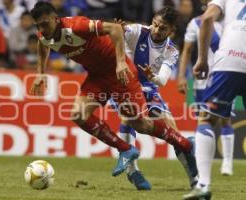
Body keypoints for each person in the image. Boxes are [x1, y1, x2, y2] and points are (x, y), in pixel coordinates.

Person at [29, 2, 196, 180]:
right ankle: (126, 150)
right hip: (97, 75)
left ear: (56, 19)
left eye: (45, 24)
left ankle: (184, 144)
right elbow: (42, 42)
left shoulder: (76, 26)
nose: (42, 29)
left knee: (141, 124)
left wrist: (121, 62)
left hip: (120, 73)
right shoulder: (45, 34)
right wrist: (40, 73)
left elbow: (115, 29)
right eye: (38, 25)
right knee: (78, 114)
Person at [110, 6, 198, 190]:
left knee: (174, 131)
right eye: (155, 24)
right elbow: (115, 34)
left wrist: (152, 77)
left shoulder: (171, 51)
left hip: (149, 87)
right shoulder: (137, 31)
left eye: (163, 28)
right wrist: (118, 30)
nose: (156, 30)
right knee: (131, 114)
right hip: (124, 84)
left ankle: (195, 178)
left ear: (172, 31)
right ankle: (133, 171)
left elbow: (163, 81)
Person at [182, 0, 246, 199]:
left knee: (207, 118)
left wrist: (202, 59)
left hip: (231, 59)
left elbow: (208, 17)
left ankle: (203, 185)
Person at [177, 1, 235, 177]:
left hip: (222, 75)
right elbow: (186, 50)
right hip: (201, 79)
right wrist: (181, 76)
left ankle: (227, 162)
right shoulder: (196, 23)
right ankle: (203, 166)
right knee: (203, 121)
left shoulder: (230, 22)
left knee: (225, 119)